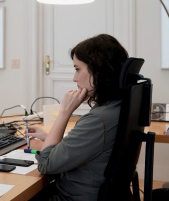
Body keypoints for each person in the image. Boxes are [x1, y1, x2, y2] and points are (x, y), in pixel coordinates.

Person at [25, 34, 129, 201]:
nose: (74, 78)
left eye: (77, 69)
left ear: (99, 69)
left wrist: (64, 112)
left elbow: (46, 165)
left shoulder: (97, 119)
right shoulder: (118, 105)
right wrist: (49, 136)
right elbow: (95, 144)